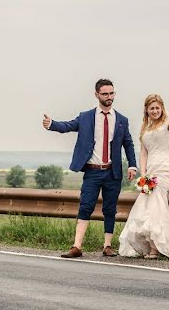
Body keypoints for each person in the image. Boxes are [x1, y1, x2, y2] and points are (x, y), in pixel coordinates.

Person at [42, 78, 138, 258]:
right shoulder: (86, 117)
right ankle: (76, 246)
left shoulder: (122, 120)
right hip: (92, 171)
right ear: (97, 95)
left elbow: (128, 143)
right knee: (85, 206)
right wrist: (52, 124)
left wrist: (132, 165)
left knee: (110, 209)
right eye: (105, 94)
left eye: (112, 93)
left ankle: (107, 246)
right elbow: (69, 126)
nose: (109, 97)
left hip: (112, 171)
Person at [118, 93, 169, 259]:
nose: (155, 111)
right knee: (148, 207)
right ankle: (152, 245)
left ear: (162, 108)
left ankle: (155, 248)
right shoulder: (145, 129)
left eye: (157, 108)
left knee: (154, 207)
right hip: (149, 171)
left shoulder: (168, 125)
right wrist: (143, 173)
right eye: (152, 108)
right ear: (146, 110)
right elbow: (143, 153)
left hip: (163, 170)